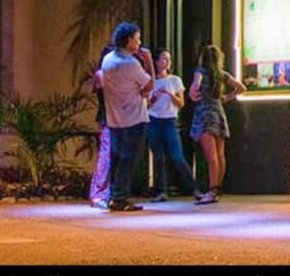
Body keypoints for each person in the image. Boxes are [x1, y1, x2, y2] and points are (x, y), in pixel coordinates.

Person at [100, 22, 154, 212]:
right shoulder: (131, 64)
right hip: (134, 117)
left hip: (114, 117)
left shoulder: (108, 59)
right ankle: (120, 197)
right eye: (137, 39)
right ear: (129, 40)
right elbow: (149, 85)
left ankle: (113, 195)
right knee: (129, 158)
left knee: (117, 157)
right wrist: (148, 61)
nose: (139, 43)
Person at [188, 44, 246, 205]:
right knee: (220, 155)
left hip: (205, 113)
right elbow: (241, 87)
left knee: (211, 157)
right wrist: (227, 97)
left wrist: (193, 93)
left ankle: (212, 190)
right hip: (219, 113)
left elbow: (195, 86)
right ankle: (217, 189)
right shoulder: (222, 74)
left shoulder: (200, 71)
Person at [146, 48, 201, 202]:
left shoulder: (175, 80)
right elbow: (146, 106)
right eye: (164, 58)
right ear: (156, 61)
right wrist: (155, 97)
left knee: (177, 156)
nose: (167, 62)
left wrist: (170, 94)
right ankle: (161, 191)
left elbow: (181, 103)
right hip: (153, 121)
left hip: (170, 120)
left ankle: (194, 189)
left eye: (168, 59)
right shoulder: (150, 81)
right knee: (158, 157)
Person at [88, 42, 114, 209]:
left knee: (113, 156)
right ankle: (97, 193)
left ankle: (107, 193)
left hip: (117, 119)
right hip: (107, 119)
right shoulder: (101, 74)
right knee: (106, 156)